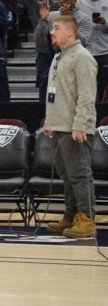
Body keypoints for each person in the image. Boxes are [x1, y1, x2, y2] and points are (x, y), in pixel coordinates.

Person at [43, 15, 97, 239]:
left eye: (56, 28)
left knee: (79, 175)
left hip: (75, 128)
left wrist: (81, 124)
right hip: (59, 125)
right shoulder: (58, 57)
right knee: (67, 175)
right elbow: (56, 92)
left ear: (70, 32)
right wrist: (50, 120)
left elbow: (86, 95)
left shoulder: (82, 57)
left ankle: (86, 219)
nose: (52, 32)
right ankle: (70, 214)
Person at [35, 0, 94, 101]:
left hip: (74, 60)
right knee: (47, 90)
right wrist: (42, 21)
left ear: (75, 1)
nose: (62, 1)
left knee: (71, 96)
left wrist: (68, 18)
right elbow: (39, 41)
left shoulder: (84, 19)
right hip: (54, 59)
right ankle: (44, 114)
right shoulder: (51, 16)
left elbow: (83, 42)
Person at [75, 0, 108, 95]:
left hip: (104, 50)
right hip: (86, 50)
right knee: (86, 85)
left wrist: (104, 22)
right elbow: (75, 22)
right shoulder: (80, 2)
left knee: (104, 84)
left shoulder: (107, 1)